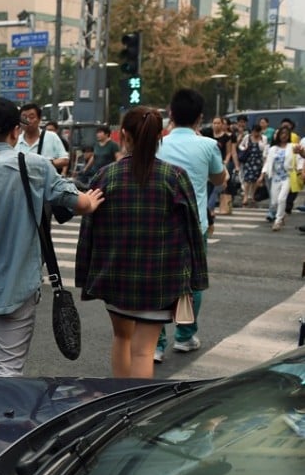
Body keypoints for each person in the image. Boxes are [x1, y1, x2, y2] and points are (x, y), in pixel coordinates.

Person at [0, 97, 103, 377]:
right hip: (17, 286)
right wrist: (92, 201)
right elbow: (78, 203)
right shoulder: (34, 165)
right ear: (15, 131)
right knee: (5, 371)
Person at [75, 107, 208, 379]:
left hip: (115, 277)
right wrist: (195, 279)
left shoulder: (106, 176)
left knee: (121, 339)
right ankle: (135, 410)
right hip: (160, 280)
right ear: (160, 135)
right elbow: (192, 232)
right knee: (144, 351)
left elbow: (88, 230)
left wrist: (86, 276)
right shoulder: (175, 177)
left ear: (124, 135)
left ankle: (118, 403)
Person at [154, 89, 226, 363]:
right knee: (192, 282)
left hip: (160, 222)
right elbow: (219, 179)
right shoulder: (208, 145)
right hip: (194, 224)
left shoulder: (158, 144)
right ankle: (185, 336)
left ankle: (156, 342)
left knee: (158, 281)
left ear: (170, 114)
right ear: (200, 117)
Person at [261, 126, 298, 231]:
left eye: (286, 133)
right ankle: (282, 215)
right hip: (275, 178)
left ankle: (278, 221)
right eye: (282, 133)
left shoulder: (292, 146)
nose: (284, 135)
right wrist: (262, 175)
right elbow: (268, 162)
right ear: (278, 136)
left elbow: (299, 156)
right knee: (274, 202)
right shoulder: (273, 149)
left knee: (282, 199)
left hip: (287, 177)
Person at [18, 103, 69, 174]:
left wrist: (46, 163)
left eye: (31, 117)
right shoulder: (16, 140)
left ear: (39, 119)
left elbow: (65, 160)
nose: (27, 121)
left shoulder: (51, 137)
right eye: (24, 118)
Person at [238, 125, 265, 208]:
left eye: (257, 131)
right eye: (254, 131)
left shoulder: (263, 138)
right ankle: (246, 196)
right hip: (249, 160)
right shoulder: (247, 137)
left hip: (258, 161)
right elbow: (240, 145)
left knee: (255, 179)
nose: (255, 133)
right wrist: (244, 148)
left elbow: (264, 149)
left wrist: (260, 141)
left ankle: (252, 195)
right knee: (247, 179)